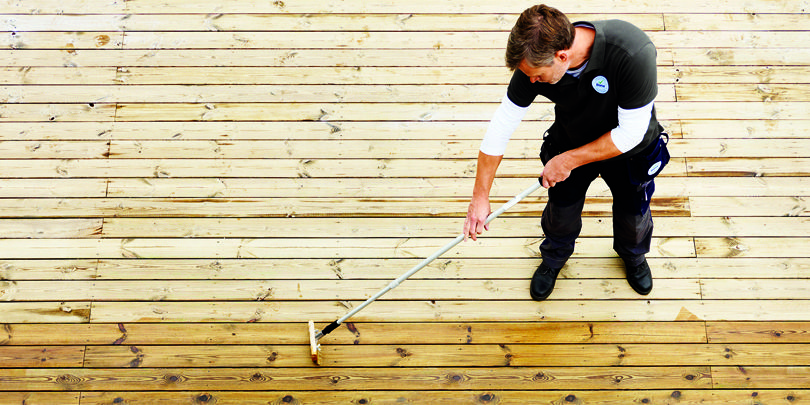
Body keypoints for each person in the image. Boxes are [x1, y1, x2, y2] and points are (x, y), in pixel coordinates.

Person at [462, 4, 669, 301]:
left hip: (630, 152)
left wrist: (568, 160)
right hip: (570, 139)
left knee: (633, 211)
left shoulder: (632, 52)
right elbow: (501, 126)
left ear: (562, 56)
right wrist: (480, 197)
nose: (532, 82)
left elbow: (630, 133)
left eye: (537, 76)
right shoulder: (531, 63)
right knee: (561, 212)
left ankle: (634, 256)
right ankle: (554, 259)